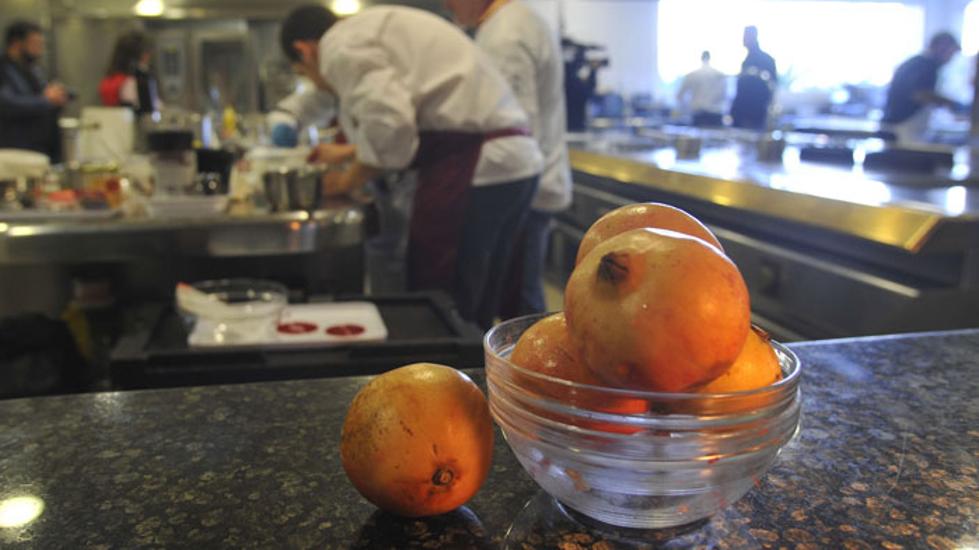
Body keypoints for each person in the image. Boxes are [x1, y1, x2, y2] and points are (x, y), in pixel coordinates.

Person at [280, 4, 542, 329]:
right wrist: (350, 152)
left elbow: (391, 127)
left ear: (304, 51)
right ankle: (471, 374)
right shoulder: (368, 30)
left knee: (446, 306)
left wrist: (347, 180)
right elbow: (409, 120)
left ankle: (443, 378)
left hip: (477, 165)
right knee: (478, 305)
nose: (318, 85)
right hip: (513, 165)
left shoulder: (338, 45)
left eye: (305, 74)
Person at [444, 0, 572, 317]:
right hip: (532, 182)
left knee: (521, 306)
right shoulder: (515, 20)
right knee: (516, 298)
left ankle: (539, 367)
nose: (447, 3)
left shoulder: (506, 33)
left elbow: (517, 127)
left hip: (526, 188)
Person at [0, 20, 67, 162]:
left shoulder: (34, 69)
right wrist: (46, 100)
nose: (40, 49)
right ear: (17, 43)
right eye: (35, 44)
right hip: (16, 149)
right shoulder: (4, 69)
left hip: (42, 146)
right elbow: (7, 104)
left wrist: (58, 97)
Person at [882, 32, 964, 144]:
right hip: (901, 127)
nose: (951, 58)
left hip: (901, 126)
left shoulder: (919, 63)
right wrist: (950, 103)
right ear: (941, 47)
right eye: (951, 52)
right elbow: (920, 94)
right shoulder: (925, 65)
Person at [98, 31, 160, 116]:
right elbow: (151, 110)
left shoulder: (110, 79)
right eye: (146, 53)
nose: (148, 57)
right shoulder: (133, 82)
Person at [730, 26, 776, 130]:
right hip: (746, 115)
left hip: (753, 116)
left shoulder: (765, 60)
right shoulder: (747, 61)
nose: (743, 39)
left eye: (746, 36)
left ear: (754, 36)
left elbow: (771, 89)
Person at [676, 51, 728, 127]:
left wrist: (686, 110)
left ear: (701, 58)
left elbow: (679, 96)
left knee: (697, 137)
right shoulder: (720, 75)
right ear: (710, 58)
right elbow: (724, 96)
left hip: (698, 115)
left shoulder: (693, 75)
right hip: (715, 116)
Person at [562, 39, 603, 132]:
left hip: (569, 127)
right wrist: (593, 71)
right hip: (573, 127)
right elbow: (588, 92)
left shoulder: (565, 79)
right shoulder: (571, 82)